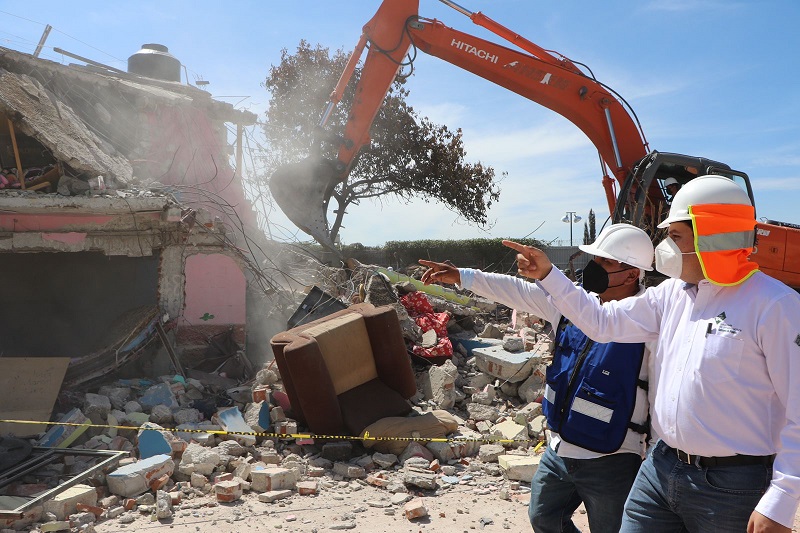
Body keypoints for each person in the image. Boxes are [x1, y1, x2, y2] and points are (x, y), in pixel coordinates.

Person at [505, 175, 800, 532]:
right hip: (660, 471)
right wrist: (550, 275)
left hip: (731, 486)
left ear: (713, 236)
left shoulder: (776, 307)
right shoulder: (672, 295)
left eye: (675, 236)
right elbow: (600, 322)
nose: (665, 247)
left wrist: (782, 500)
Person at [419, 223, 656, 533]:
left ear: (631, 273)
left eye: (605, 262)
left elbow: (661, 392)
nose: (594, 267)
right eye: (595, 259)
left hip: (612, 459)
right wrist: (461, 276)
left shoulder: (650, 319)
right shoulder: (573, 301)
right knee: (544, 518)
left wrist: (652, 456)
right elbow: (516, 291)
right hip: (559, 449)